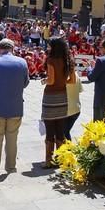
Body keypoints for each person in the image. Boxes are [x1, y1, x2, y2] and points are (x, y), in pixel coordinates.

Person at [0, 38, 30, 176]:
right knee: (12, 139)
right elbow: (25, 83)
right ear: (12, 48)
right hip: (15, 106)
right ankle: (11, 168)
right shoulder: (22, 62)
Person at [40, 37, 72, 168]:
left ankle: (48, 160)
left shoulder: (51, 60)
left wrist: (44, 81)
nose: (48, 48)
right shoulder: (67, 60)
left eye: (49, 46)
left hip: (51, 96)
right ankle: (61, 158)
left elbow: (51, 80)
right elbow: (70, 80)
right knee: (60, 129)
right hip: (63, 95)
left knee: (49, 128)